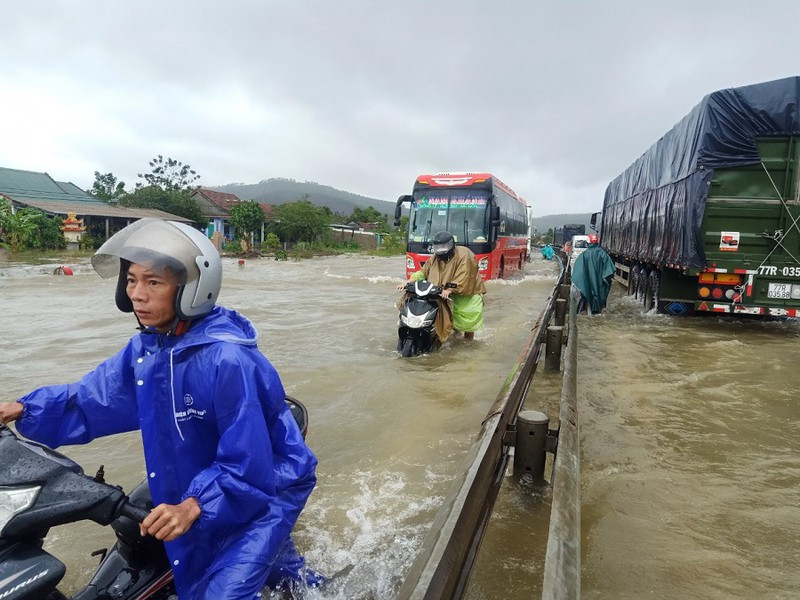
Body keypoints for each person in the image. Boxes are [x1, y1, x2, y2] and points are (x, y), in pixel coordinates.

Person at [0, 218, 319, 598]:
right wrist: (20, 408)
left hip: (268, 487)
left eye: (153, 282)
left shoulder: (228, 361)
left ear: (192, 289)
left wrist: (194, 505)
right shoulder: (148, 349)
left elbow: (248, 466)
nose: (137, 294)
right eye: (132, 280)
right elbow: (92, 399)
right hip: (208, 480)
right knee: (279, 573)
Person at [396, 231, 487, 341]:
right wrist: (408, 282)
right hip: (444, 292)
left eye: (444, 246)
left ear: (452, 245)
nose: (441, 250)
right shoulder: (435, 258)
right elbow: (423, 272)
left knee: (467, 322)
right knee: (448, 318)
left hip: (467, 294)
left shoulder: (464, 255)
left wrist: (450, 289)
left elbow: (464, 275)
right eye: (438, 247)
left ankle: (468, 342)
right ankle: (454, 336)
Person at [571, 232, 614, 315]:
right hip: (600, 284)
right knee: (599, 299)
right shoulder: (604, 254)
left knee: (587, 298)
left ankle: (587, 311)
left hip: (586, 284)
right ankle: (597, 311)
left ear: (588, 242)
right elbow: (610, 271)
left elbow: (578, 273)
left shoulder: (584, 255)